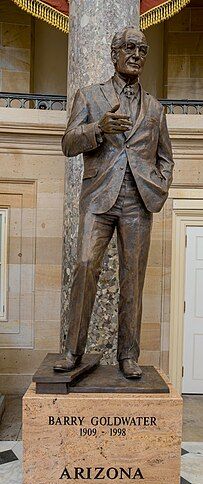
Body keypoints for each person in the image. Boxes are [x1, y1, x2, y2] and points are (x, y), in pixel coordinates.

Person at [59, 26, 174, 378]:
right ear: (114, 54)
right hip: (99, 199)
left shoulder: (155, 108)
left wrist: (160, 185)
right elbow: (68, 144)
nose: (137, 54)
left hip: (137, 202)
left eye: (142, 48)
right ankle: (71, 351)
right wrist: (98, 129)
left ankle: (128, 355)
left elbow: (165, 158)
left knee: (132, 278)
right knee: (85, 266)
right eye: (129, 47)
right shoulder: (90, 96)